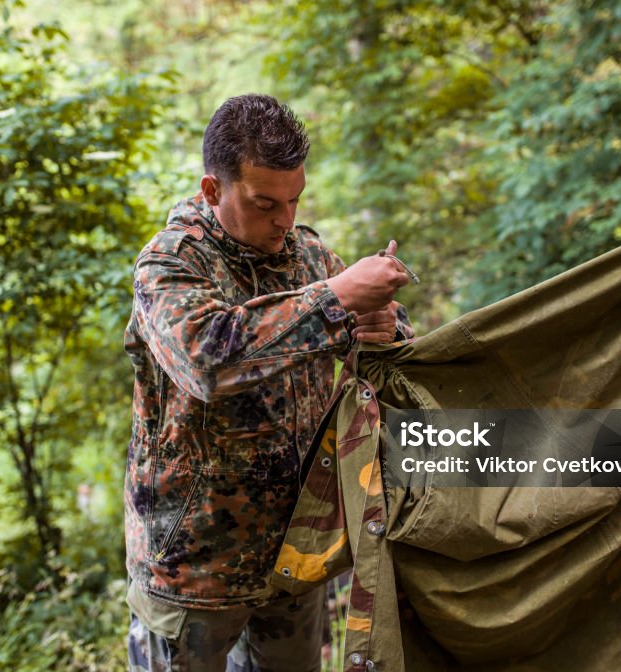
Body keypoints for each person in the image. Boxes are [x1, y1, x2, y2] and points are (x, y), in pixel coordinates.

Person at [123, 93, 414, 671]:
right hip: (192, 566)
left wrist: (385, 323)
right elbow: (208, 360)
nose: (284, 219)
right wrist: (335, 302)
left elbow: (379, 333)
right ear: (213, 191)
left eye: (294, 200)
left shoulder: (306, 255)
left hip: (293, 555)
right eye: (264, 204)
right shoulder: (169, 264)